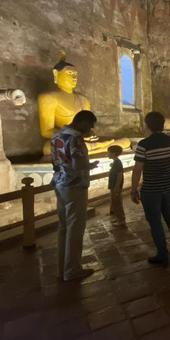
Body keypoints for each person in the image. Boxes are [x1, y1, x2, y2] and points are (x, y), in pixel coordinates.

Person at [131, 111, 170, 266]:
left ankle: (162, 254)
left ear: (147, 125)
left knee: (155, 221)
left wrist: (133, 190)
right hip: (168, 187)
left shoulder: (144, 144)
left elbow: (137, 170)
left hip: (151, 190)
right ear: (163, 124)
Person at [50, 110, 99, 281]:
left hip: (60, 183)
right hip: (75, 185)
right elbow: (79, 164)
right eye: (90, 125)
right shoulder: (75, 138)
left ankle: (62, 268)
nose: (91, 129)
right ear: (83, 122)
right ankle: (72, 269)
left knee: (63, 226)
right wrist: (91, 165)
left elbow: (55, 160)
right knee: (75, 227)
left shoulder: (56, 135)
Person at [107, 145, 125, 226]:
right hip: (113, 185)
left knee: (117, 203)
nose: (108, 154)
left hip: (115, 186)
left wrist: (117, 187)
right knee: (115, 202)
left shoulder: (117, 163)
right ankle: (118, 217)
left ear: (113, 153)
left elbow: (119, 174)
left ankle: (121, 219)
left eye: (109, 152)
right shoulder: (116, 162)